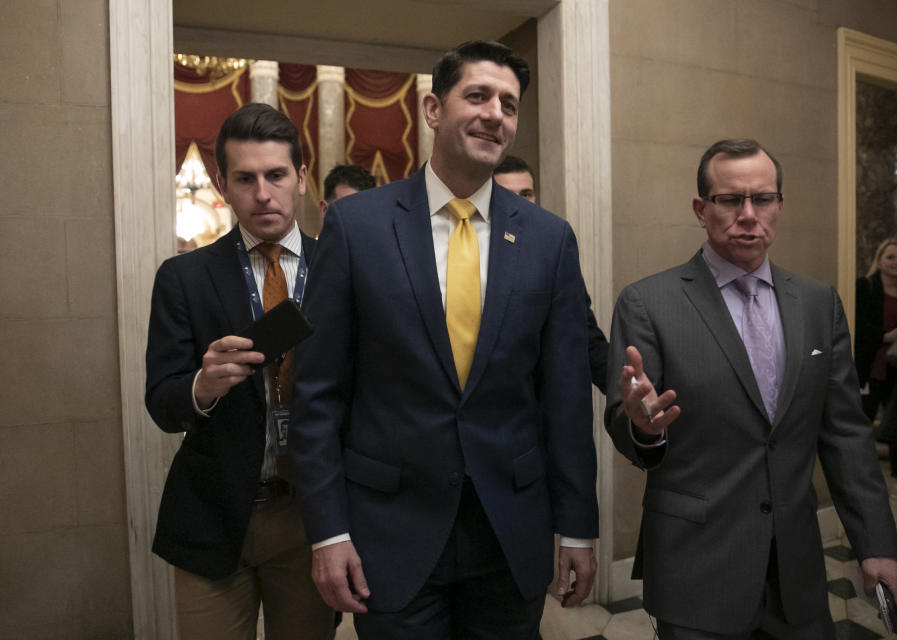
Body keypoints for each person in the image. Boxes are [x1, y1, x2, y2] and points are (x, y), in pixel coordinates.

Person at [290, 41, 599, 639]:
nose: (495, 114)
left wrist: (579, 527)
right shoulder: (356, 228)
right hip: (391, 531)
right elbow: (319, 396)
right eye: (477, 96)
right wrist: (329, 532)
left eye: (508, 104)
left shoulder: (548, 239)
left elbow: (564, 398)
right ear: (433, 109)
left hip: (509, 533)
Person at [605, 138, 897, 639]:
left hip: (797, 573)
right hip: (696, 569)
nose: (749, 214)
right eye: (730, 200)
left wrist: (876, 543)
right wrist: (644, 428)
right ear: (702, 209)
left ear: (779, 206)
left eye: (762, 199)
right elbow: (627, 418)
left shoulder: (817, 303)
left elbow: (846, 434)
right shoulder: (647, 302)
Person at [145, 103, 336, 639]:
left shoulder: (339, 272)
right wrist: (201, 387)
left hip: (310, 516)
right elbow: (161, 401)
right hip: (213, 513)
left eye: (276, 175)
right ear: (223, 185)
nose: (263, 193)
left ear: (300, 177)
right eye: (245, 179)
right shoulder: (184, 278)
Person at [493, 155, 611, 393]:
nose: (521, 204)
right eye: (508, 194)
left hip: (533, 411)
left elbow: (584, 335)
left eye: (526, 194)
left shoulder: (551, 252)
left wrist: (625, 385)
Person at [855, 237, 897, 479]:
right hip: (868, 370)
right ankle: (859, 478)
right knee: (860, 427)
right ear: (880, 260)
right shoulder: (864, 287)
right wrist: (884, 337)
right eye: (891, 257)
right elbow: (856, 325)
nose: (896, 262)